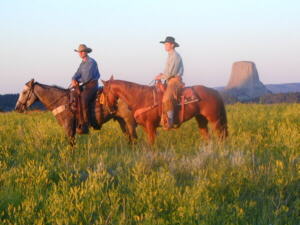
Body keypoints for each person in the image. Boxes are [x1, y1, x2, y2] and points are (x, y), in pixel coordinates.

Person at [155, 36, 184, 130]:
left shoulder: (175, 56)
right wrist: (162, 74)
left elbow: (171, 73)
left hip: (175, 81)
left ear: (172, 45)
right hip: (169, 80)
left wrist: (161, 76)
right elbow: (167, 72)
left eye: (167, 44)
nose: (165, 46)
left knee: (166, 98)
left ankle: (170, 121)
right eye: (165, 44)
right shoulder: (170, 55)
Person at [72, 44, 100, 133]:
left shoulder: (91, 62)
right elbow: (77, 73)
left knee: (83, 99)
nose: (80, 53)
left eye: (82, 52)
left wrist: (78, 81)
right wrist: (73, 79)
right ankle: (78, 120)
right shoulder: (82, 63)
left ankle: (86, 124)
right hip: (85, 85)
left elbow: (87, 77)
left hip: (92, 85)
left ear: (86, 52)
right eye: (79, 52)